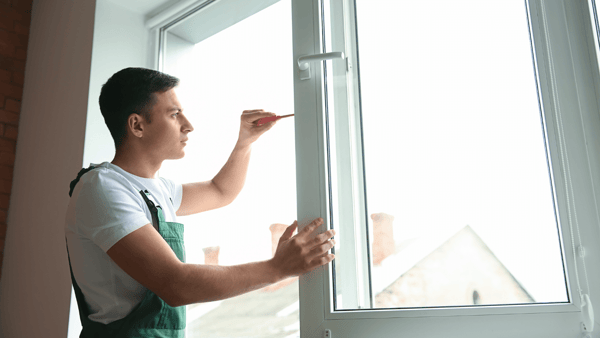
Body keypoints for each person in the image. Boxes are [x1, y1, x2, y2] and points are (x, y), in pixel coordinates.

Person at [64, 67, 336, 337]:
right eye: (174, 114)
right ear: (137, 125)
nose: (188, 125)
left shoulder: (158, 189)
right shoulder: (103, 188)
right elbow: (176, 284)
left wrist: (245, 141)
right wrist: (277, 268)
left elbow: (221, 191)